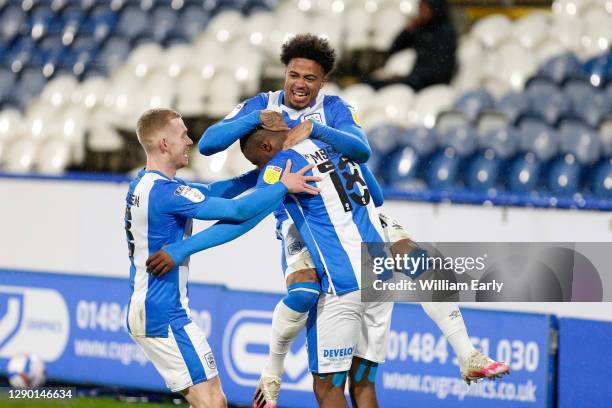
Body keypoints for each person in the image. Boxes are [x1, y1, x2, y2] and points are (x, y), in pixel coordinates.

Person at [197, 34, 508, 407]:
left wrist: (317, 132)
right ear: (285, 73)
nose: (299, 84)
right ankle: (272, 375)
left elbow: (362, 153)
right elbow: (210, 144)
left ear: (322, 82)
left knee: (422, 263)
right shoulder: (262, 107)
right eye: (294, 75)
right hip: (296, 216)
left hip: (349, 216)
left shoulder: (334, 109)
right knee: (305, 292)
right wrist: (255, 119)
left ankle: (467, 353)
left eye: (309, 78)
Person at [124, 108, 320, 408]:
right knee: (213, 402)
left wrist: (262, 174)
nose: (190, 140)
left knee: (210, 401)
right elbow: (237, 212)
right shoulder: (165, 193)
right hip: (162, 313)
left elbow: (215, 191)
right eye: (182, 135)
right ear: (164, 144)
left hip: (156, 308)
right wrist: (282, 186)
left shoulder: (146, 183)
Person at [369, 0, 457, 91]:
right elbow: (394, 48)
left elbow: (440, 69)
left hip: (431, 83)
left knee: (380, 85)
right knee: (371, 81)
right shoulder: (421, 29)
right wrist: (408, 30)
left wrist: (409, 78)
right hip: (416, 79)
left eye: (425, 8)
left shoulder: (445, 33)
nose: (421, 11)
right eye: (420, 7)